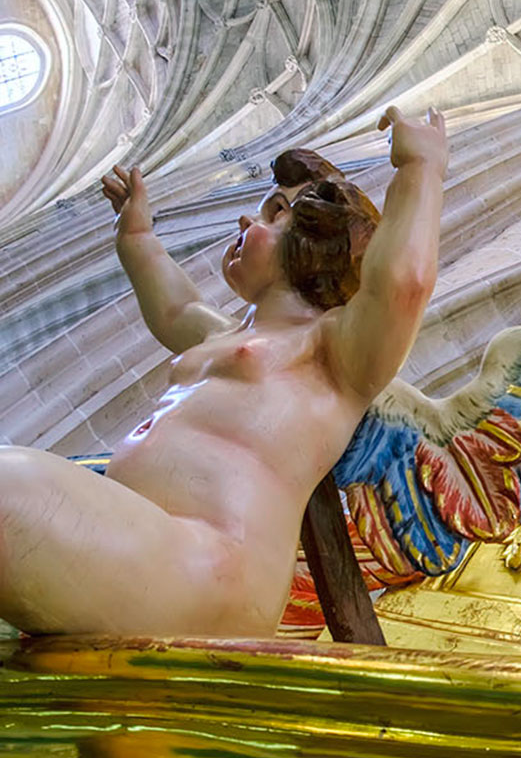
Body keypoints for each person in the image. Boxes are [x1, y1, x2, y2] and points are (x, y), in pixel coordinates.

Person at [0, 108, 448, 637]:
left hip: (211, 562)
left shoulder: (335, 352)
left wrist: (422, 166)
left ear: (324, 243)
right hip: (142, 537)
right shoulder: (222, 335)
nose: (245, 222)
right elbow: (172, 308)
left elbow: (404, 284)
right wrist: (137, 236)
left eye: (274, 212)